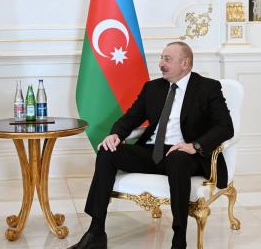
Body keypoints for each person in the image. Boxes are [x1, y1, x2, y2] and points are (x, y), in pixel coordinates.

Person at [69, 41, 234, 249]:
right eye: (161, 58)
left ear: (185, 63)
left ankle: (179, 239)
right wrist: (116, 135)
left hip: (185, 153)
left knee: (178, 159)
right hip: (152, 152)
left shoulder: (207, 87)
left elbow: (226, 127)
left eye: (167, 59)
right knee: (107, 152)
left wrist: (195, 146)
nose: (161, 64)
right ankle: (96, 232)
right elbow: (130, 118)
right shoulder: (152, 88)